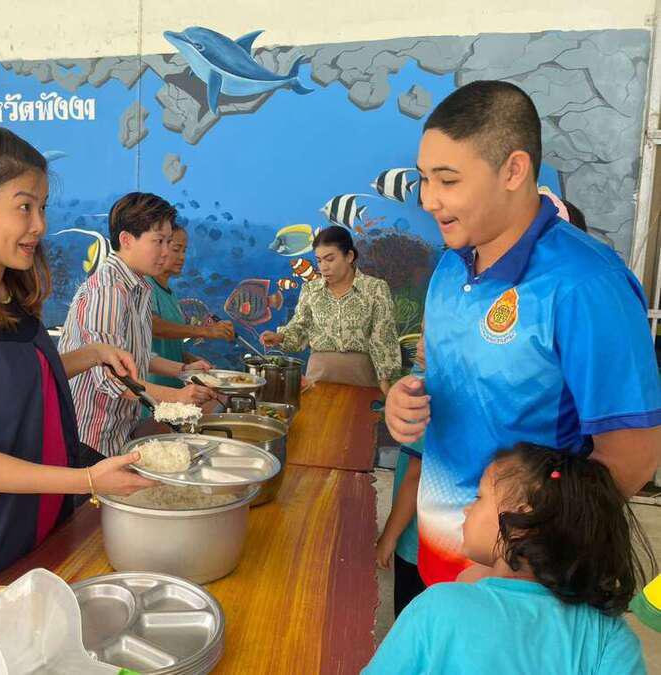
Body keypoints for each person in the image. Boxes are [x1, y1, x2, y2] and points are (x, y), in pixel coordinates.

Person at [385, 80, 661, 586]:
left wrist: (524, 563)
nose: (427, 200)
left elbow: (633, 457)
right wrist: (404, 400)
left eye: (448, 180)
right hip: (435, 554)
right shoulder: (449, 268)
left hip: (522, 582)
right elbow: (439, 376)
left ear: (513, 170)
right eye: (424, 179)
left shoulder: (585, 284)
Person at [0, 127, 155, 602]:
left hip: (30, 529)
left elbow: (18, 381)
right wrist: (87, 480)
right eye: (24, 207)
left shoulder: (12, 295)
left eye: (42, 207)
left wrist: (95, 354)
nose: (39, 225)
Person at [364, 444, 653, 674]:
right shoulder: (610, 637)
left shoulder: (437, 607)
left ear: (521, 520)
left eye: (479, 498)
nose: (467, 510)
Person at [60, 192, 214, 457]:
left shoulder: (138, 286)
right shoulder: (108, 290)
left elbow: (138, 354)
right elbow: (112, 379)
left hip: (119, 430)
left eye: (168, 242)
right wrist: (176, 396)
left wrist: (183, 370)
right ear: (126, 240)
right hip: (91, 437)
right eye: (158, 241)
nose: (165, 251)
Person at [260, 226, 401, 396]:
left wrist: (387, 389)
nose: (323, 267)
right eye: (319, 261)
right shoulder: (310, 289)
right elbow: (300, 327)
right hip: (318, 378)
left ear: (349, 256)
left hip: (363, 379)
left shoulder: (375, 288)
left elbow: (383, 339)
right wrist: (280, 337)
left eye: (330, 259)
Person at [148, 222, 235, 389]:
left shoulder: (170, 294)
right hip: (154, 390)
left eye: (184, 251)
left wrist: (189, 361)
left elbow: (165, 346)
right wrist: (206, 330)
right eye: (176, 249)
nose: (182, 257)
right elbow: (154, 326)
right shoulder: (146, 286)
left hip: (174, 390)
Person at [375, 333, 425, 618]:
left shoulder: (426, 391)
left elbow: (415, 476)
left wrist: (389, 536)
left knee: (408, 614)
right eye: (422, 332)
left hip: (416, 541)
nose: (420, 344)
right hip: (421, 535)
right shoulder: (419, 379)